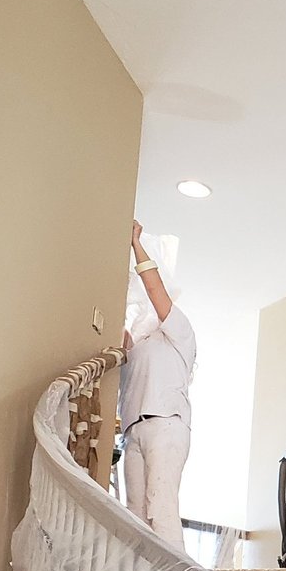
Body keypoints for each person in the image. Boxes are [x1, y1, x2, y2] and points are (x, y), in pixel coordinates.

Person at [118, 221, 196, 546]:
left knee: (161, 511)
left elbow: (154, 289)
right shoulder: (136, 344)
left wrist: (135, 244)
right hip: (133, 432)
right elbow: (119, 339)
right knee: (136, 518)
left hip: (166, 425)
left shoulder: (180, 332)